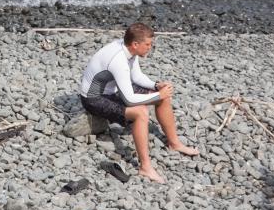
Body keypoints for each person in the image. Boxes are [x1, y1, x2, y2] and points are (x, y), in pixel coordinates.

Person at [79, 22, 199, 183]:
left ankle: (174, 143)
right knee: (140, 112)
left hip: (112, 90)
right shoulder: (118, 60)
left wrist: (156, 87)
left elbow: (136, 77)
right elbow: (129, 99)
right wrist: (157, 95)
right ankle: (145, 167)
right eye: (148, 44)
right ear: (135, 44)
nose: (150, 47)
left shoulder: (128, 50)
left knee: (163, 97)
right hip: (94, 99)